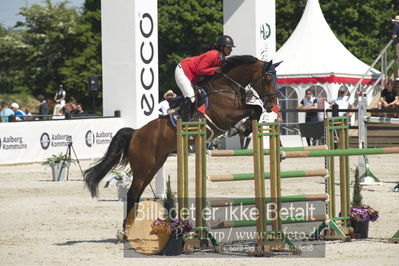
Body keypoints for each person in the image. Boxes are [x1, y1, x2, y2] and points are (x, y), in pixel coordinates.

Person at [175, 35, 235, 121]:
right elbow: (200, 70)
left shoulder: (221, 58)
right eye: (229, 48)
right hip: (183, 71)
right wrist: (215, 69)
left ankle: (195, 117)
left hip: (193, 76)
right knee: (191, 97)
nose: (231, 50)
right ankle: (182, 122)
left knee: (202, 96)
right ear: (222, 47)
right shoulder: (213, 54)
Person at [392, 15, 399, 80]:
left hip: (398, 43)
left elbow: (394, 35)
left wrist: (394, 37)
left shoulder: (396, 26)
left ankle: (397, 75)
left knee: (397, 58)